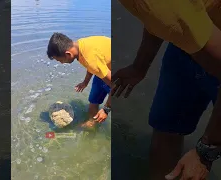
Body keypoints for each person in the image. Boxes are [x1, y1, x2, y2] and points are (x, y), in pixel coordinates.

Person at [113, 0, 221, 179]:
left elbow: (164, 12)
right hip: (190, 36)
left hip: (204, 35)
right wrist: (139, 67)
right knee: (166, 130)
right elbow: (158, 17)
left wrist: (206, 152)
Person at [46, 33, 111, 128]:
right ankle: (92, 122)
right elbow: (92, 65)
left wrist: (106, 109)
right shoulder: (80, 46)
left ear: (68, 54)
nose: (61, 63)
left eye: (60, 60)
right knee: (93, 100)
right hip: (103, 68)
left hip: (117, 72)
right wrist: (85, 82)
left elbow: (116, 85)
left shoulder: (90, 59)